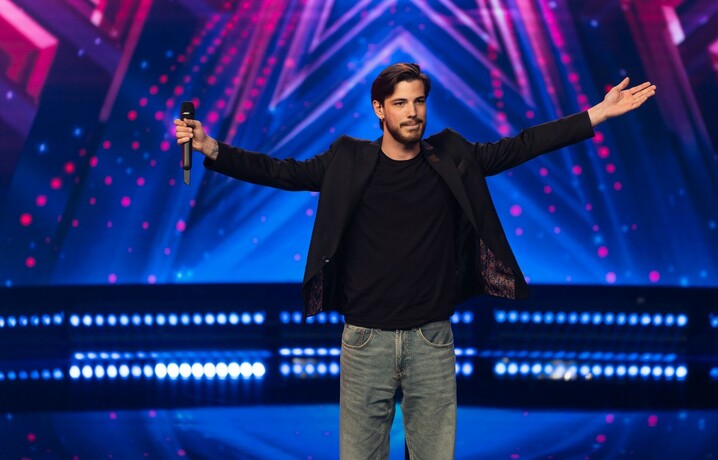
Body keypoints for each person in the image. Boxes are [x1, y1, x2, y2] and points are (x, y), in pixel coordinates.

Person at [174, 62, 655, 459]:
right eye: (401, 103)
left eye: (419, 102)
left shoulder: (452, 155)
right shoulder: (347, 159)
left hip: (431, 340)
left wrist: (597, 114)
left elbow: (523, 145)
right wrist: (211, 148)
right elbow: (280, 172)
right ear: (379, 109)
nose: (412, 112)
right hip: (365, 341)